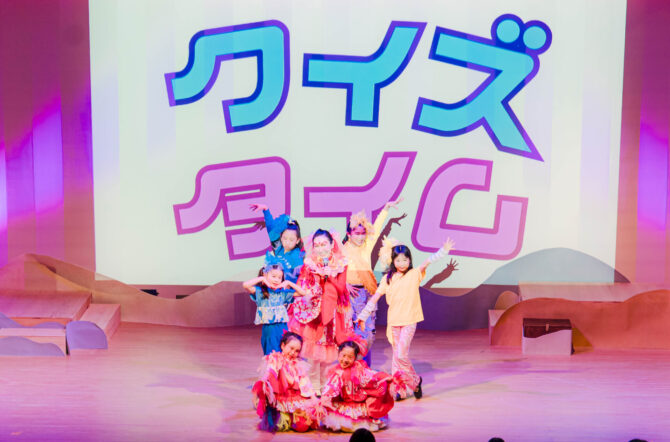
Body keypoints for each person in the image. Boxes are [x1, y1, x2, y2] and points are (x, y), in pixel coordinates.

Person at [357, 237, 455, 399]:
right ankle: (400, 390)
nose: (402, 263)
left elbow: (428, 262)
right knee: (396, 358)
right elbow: (374, 298)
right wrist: (363, 315)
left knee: (401, 356)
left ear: (410, 260)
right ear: (393, 261)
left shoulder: (414, 274)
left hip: (409, 321)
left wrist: (443, 251)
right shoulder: (388, 279)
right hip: (393, 322)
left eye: (405, 260)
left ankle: (415, 381)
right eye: (398, 260)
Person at [289, 229, 354, 394]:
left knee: (328, 352)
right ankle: (313, 387)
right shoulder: (309, 263)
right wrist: (309, 290)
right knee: (313, 353)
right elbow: (302, 283)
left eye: (324, 244)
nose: (320, 248)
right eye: (317, 245)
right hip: (313, 312)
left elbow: (341, 288)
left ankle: (325, 387)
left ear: (332, 244)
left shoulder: (341, 263)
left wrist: (328, 274)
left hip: (332, 311)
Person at [343, 198, 402, 366]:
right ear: (349, 234)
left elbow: (376, 228)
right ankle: (352, 366)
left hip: (367, 292)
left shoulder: (366, 246)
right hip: (350, 295)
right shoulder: (342, 250)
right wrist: (345, 284)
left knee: (366, 331)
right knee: (351, 331)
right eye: (357, 233)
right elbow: (335, 270)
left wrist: (386, 209)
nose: (361, 236)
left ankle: (364, 367)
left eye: (363, 233)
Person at [319, 341, 395, 432]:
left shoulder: (358, 368)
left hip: (358, 402)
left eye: (350, 357)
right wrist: (324, 400)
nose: (345, 360)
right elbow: (331, 387)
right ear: (338, 355)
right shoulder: (336, 372)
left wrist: (384, 378)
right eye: (343, 355)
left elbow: (371, 376)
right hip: (344, 403)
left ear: (355, 358)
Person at [252, 332, 318, 432]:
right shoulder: (275, 360)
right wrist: (263, 384)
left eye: (297, 351)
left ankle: (293, 418)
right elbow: (270, 373)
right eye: (291, 348)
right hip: (281, 399)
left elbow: (305, 382)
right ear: (283, 346)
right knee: (278, 423)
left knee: (302, 426)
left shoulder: (298, 364)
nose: (293, 352)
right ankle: (285, 417)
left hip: (294, 398)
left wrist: (313, 398)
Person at [243, 252, 305, 355]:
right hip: (269, 329)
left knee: (284, 353)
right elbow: (246, 285)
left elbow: (302, 293)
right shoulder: (261, 292)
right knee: (271, 354)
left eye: (279, 277)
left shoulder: (282, 293)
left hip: (282, 328)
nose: (276, 280)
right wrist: (262, 279)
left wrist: (288, 283)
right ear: (265, 274)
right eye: (273, 276)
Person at [250, 203, 305, 283]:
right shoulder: (278, 248)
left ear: (297, 240)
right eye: (285, 238)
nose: (287, 242)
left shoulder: (297, 256)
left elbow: (300, 279)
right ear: (281, 237)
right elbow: (272, 230)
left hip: (288, 288)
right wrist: (266, 210)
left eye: (291, 240)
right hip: (275, 285)